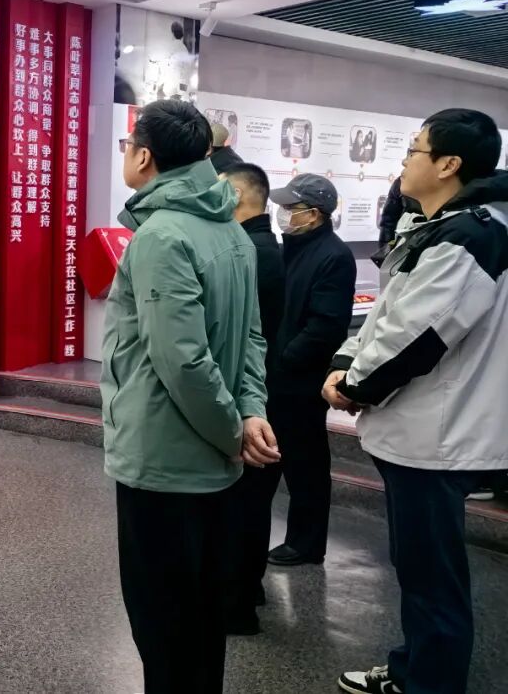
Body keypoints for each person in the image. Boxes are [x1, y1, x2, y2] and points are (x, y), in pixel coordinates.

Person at [324, 110, 507, 694]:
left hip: (437, 435)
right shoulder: (437, 225)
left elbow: (419, 336)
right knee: (420, 568)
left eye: (414, 150)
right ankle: (414, 668)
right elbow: (389, 312)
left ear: (449, 164)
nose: (404, 161)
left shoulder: (470, 236)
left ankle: (429, 683)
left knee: (432, 575)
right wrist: (346, 359)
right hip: (421, 429)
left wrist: (352, 386)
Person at [102, 100, 279, 694]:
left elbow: (182, 361)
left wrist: (233, 430)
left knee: (162, 621)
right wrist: (249, 412)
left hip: (164, 458)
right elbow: (252, 338)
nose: (126, 155)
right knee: (201, 613)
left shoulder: (161, 235)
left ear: (144, 156)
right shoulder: (231, 229)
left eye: (128, 145)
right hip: (212, 459)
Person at [264, 173, 357, 567]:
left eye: (291, 208)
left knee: (306, 466)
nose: (283, 213)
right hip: (274, 376)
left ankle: (307, 544)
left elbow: (326, 325)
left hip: (300, 381)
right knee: (272, 461)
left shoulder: (333, 256)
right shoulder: (287, 249)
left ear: (314, 214)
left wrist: (286, 359)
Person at [219, 163, 286, 634]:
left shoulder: (250, 252)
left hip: (256, 396)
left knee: (244, 505)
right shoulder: (260, 246)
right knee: (250, 503)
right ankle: (246, 591)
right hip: (262, 391)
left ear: (238, 196)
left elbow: (246, 336)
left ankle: (237, 605)